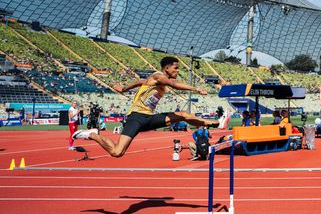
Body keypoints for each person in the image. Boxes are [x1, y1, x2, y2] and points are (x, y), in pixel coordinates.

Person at [72, 56, 226, 157]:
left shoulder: (155, 80)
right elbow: (174, 84)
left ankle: (215, 123)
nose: (177, 71)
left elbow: (141, 82)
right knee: (117, 152)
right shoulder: (159, 75)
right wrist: (196, 89)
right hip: (136, 118)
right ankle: (92, 134)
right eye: (176, 68)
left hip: (149, 118)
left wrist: (125, 88)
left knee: (184, 115)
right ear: (166, 68)